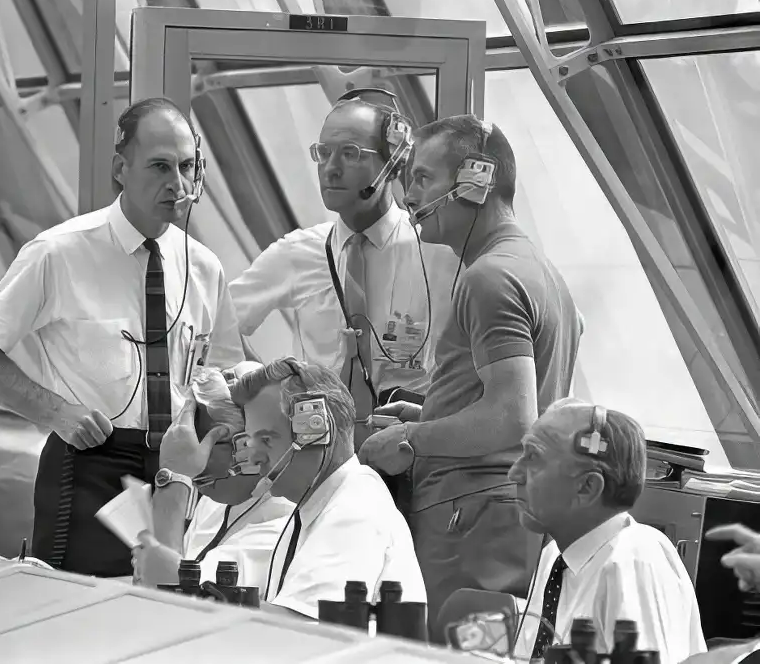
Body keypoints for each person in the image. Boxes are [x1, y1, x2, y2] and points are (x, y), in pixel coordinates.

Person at [0, 97, 244, 577]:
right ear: (120, 169)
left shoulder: (204, 266)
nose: (178, 184)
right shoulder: (59, 252)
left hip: (177, 469)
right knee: (79, 624)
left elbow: (220, 374)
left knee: (167, 614)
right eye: (159, 166)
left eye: (188, 166)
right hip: (90, 463)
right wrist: (56, 412)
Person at [358, 115, 584, 637]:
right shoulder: (541, 272)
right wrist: (432, 412)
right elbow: (522, 402)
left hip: (473, 520)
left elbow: (512, 418)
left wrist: (413, 439)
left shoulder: (490, 277)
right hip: (503, 520)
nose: (407, 192)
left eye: (422, 177)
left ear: (475, 181)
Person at [228, 89, 457, 450]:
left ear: (394, 162)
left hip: (412, 447)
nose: (331, 168)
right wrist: (266, 387)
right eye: (323, 153)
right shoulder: (297, 252)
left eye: (350, 154)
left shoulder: (437, 252)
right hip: (320, 451)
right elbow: (217, 323)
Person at [509, 399, 705, 663]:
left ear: (587, 487)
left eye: (533, 457)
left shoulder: (634, 561)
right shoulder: (554, 557)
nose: (514, 473)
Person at [229, 357, 425, 618]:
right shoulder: (321, 505)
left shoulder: (354, 511)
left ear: (316, 429)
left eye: (267, 439)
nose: (254, 458)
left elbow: (294, 631)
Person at [132, 363, 295, 593]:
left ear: (247, 448)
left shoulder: (280, 527)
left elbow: (166, 601)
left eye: (205, 439)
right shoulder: (213, 503)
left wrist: (173, 480)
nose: (192, 453)